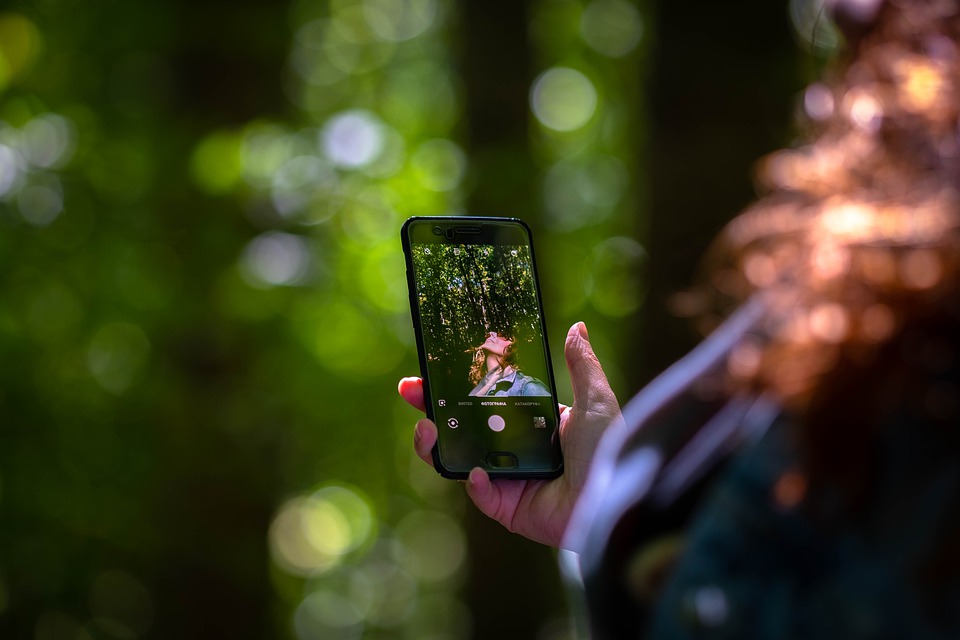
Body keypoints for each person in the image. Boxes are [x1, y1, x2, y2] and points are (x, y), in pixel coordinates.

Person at [400, 0, 960, 636]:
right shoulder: (881, 348)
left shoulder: (917, 372)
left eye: (871, 30)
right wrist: (597, 514)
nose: (835, 19)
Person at [467, 330, 552, 397]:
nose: (491, 333)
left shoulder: (528, 386)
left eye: (504, 336)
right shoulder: (479, 389)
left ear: (514, 350)